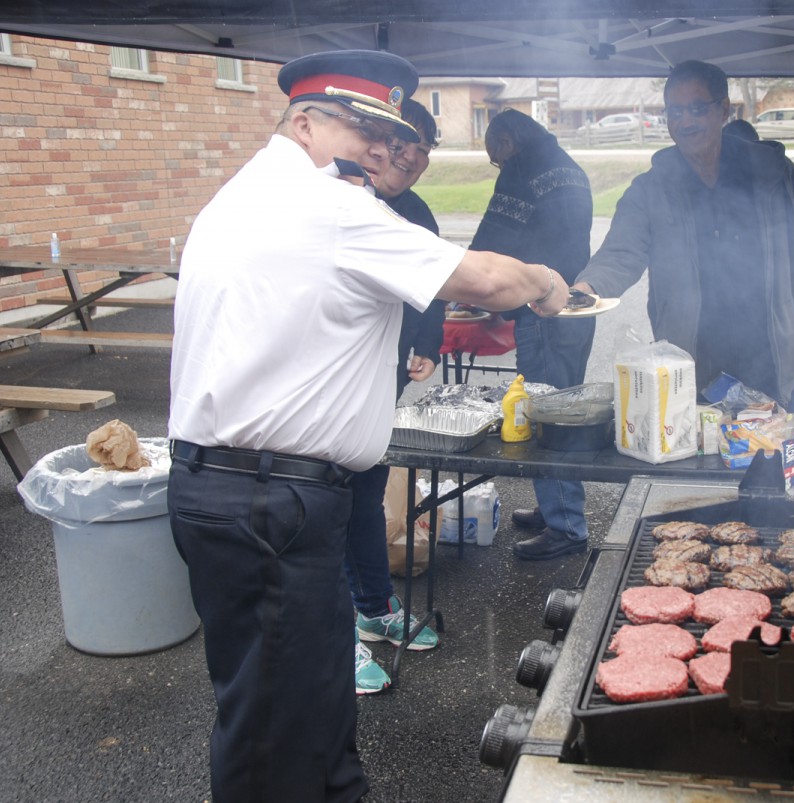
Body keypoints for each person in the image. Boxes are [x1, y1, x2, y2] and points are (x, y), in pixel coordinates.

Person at [167, 49, 567, 803]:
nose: (381, 149)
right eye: (362, 130)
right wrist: (548, 282)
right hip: (269, 501)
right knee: (273, 734)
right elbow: (485, 280)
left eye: (389, 134)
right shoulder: (327, 206)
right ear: (306, 123)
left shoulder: (241, 195)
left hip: (248, 494)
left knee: (311, 701)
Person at [574, 60, 794, 414]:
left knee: (781, 468)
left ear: (723, 109)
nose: (685, 121)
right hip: (692, 374)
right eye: (676, 111)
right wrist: (584, 290)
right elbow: (620, 253)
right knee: (699, 468)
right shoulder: (651, 189)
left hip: (777, 369)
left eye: (697, 108)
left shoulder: (775, 176)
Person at [340, 98, 444, 696]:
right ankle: (334, 640)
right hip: (329, 384)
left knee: (366, 490)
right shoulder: (342, 203)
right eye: (394, 143)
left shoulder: (416, 212)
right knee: (324, 506)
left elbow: (433, 285)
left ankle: (373, 605)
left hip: (385, 370)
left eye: (419, 148)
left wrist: (425, 342)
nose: (405, 157)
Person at [470, 109, 595, 560]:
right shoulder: (568, 166)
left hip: (542, 308)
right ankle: (554, 507)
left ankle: (566, 526)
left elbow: (495, 242)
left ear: (507, 141)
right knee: (564, 404)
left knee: (546, 412)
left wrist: (467, 287)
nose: (498, 166)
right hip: (577, 308)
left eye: (496, 158)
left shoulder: (524, 168)